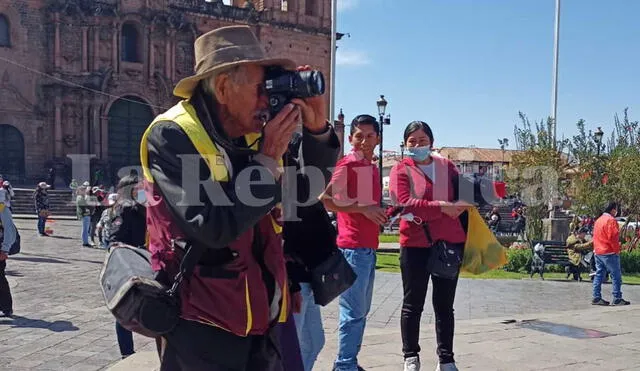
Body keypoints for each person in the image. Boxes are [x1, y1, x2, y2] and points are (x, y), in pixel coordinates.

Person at [140, 25, 339, 370]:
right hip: (200, 320)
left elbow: (304, 193)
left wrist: (318, 130)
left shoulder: (253, 134)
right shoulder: (172, 134)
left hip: (261, 313)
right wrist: (266, 160)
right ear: (221, 87)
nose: (268, 100)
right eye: (262, 88)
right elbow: (211, 226)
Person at [389, 121, 471, 371]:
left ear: (431, 142)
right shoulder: (400, 170)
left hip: (448, 244)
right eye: (411, 141)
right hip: (415, 244)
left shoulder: (447, 167)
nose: (417, 145)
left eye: (422, 140)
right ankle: (410, 356)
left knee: (445, 306)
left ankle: (446, 358)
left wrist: (464, 202)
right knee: (413, 303)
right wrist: (443, 208)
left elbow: (466, 193)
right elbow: (404, 203)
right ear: (404, 145)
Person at [320, 114, 387, 371]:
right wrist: (364, 209)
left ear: (378, 139)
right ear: (350, 139)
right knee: (353, 314)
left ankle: (349, 362)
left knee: (359, 313)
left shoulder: (370, 167)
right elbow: (325, 199)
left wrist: (376, 213)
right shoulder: (348, 164)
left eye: (370, 135)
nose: (364, 141)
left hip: (366, 249)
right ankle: (344, 365)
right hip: (352, 249)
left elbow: (363, 207)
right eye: (359, 136)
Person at [106, 175, 148, 358]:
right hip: (133, 264)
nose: (142, 190)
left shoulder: (142, 208)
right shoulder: (125, 208)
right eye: (138, 188)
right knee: (125, 308)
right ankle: (127, 353)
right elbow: (115, 240)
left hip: (145, 261)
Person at [592, 202, 630, 306]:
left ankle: (596, 297)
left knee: (599, 274)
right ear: (613, 209)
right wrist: (617, 249)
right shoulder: (611, 220)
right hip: (609, 252)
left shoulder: (598, 220)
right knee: (616, 275)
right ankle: (617, 297)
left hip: (598, 251)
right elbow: (613, 238)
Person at [0, 183, 16, 317]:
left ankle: (6, 307)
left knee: (0, 279)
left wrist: (5, 249)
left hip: (0, 249)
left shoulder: (2, 209)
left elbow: (10, 231)